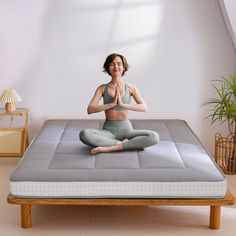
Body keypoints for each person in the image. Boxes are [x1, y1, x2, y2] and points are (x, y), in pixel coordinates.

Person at [79, 53, 159, 155]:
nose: (116, 67)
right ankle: (126, 145)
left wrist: (123, 105)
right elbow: (90, 109)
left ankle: (109, 148)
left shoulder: (130, 88)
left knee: (154, 136)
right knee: (84, 134)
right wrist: (111, 104)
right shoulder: (102, 88)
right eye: (112, 64)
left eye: (119, 64)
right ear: (108, 68)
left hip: (127, 130)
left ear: (124, 67)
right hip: (108, 131)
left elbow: (144, 108)